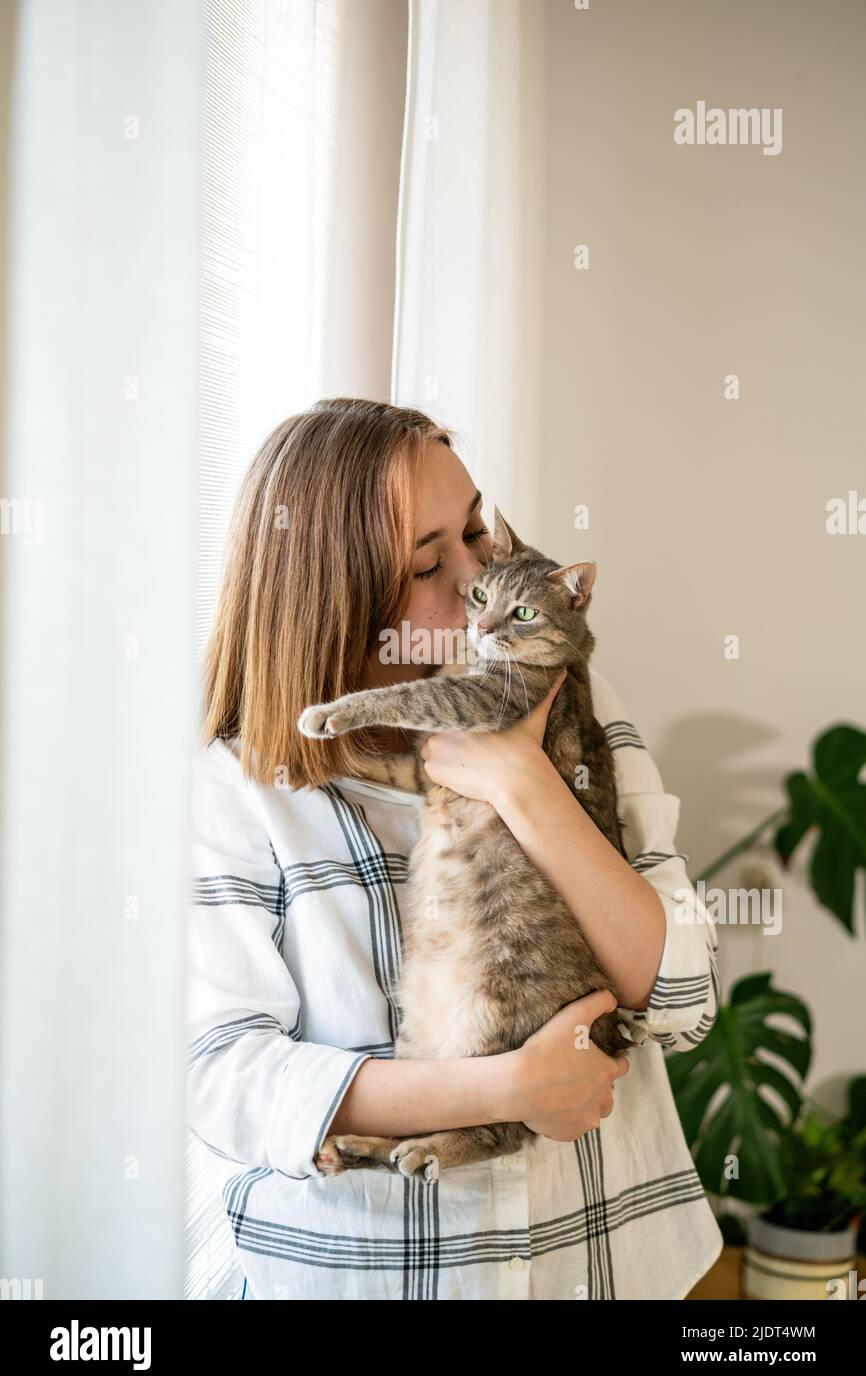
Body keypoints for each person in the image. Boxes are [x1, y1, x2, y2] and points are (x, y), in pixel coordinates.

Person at [187, 398, 723, 1300]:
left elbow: (683, 998)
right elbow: (224, 1077)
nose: (482, 576)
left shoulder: (583, 707)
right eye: (432, 563)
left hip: (603, 1265)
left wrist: (523, 781)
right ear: (338, 604)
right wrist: (507, 1090)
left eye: (476, 528)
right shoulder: (239, 792)